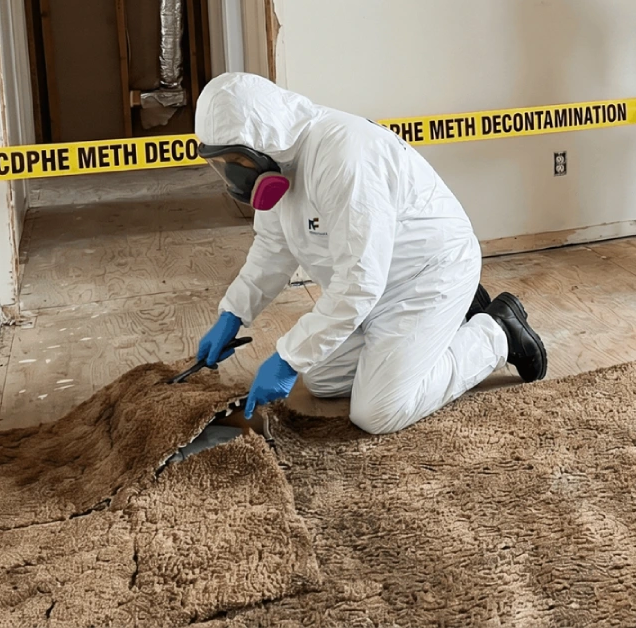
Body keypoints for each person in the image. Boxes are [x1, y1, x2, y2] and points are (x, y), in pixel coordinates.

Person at [191, 72, 546, 434]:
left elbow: (358, 283)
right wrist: (234, 312)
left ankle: (497, 332)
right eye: (219, 165)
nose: (232, 177)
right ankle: (440, 330)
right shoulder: (276, 161)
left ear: (259, 139)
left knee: (377, 411)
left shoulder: (343, 157)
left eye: (233, 161)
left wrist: (286, 358)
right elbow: (273, 246)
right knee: (320, 378)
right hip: (379, 286)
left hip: (426, 276)